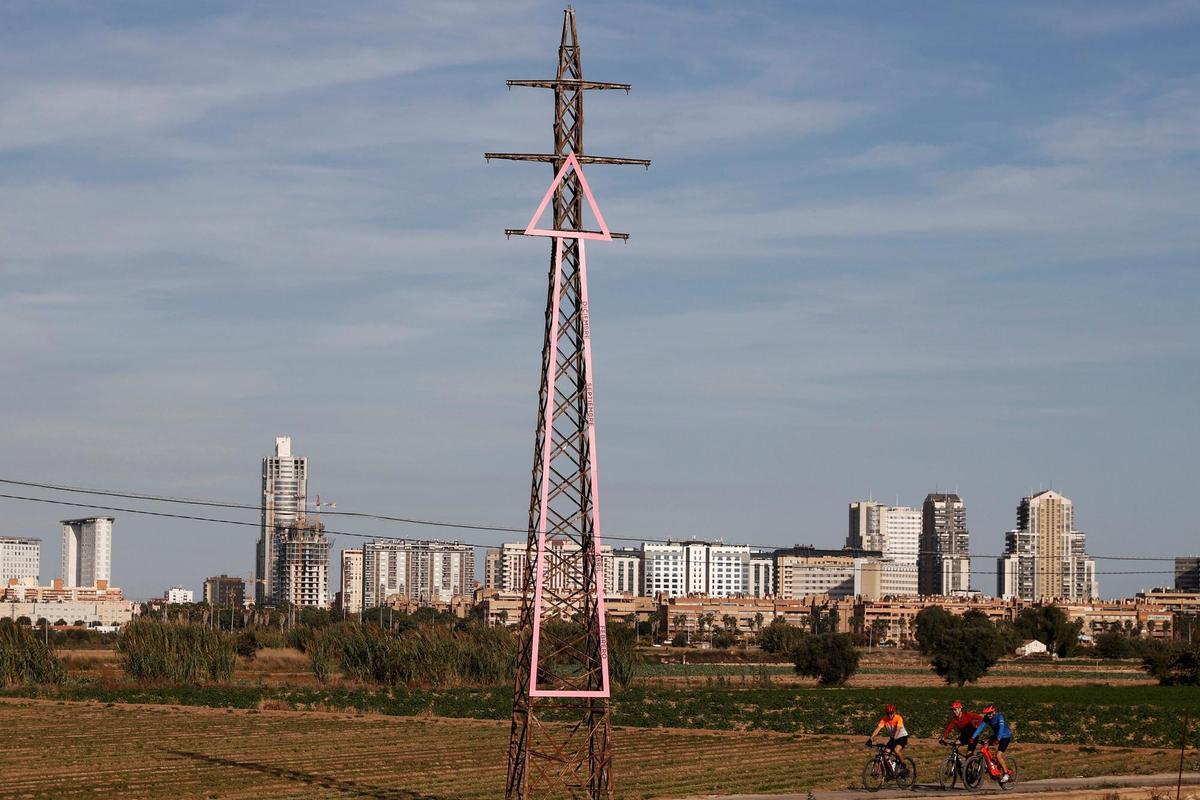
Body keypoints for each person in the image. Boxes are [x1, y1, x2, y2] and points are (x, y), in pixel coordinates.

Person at [970, 704, 1014, 782]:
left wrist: (998, 738)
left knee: (998, 755)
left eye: (990, 713)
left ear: (994, 711)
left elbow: (1001, 728)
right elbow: (980, 728)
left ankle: (1006, 773)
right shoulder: (987, 718)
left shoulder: (999, 716)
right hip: (996, 735)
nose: (988, 715)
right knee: (984, 746)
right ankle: (989, 765)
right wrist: (973, 737)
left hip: (1005, 736)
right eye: (987, 713)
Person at [867, 703, 909, 776]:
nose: (890, 715)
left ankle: (903, 766)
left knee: (896, 750)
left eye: (891, 713)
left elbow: (898, 729)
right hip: (893, 738)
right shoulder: (884, 719)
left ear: (894, 712)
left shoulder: (898, 718)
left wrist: (894, 738)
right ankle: (890, 773)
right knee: (885, 754)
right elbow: (878, 729)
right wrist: (871, 738)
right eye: (888, 713)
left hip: (902, 737)